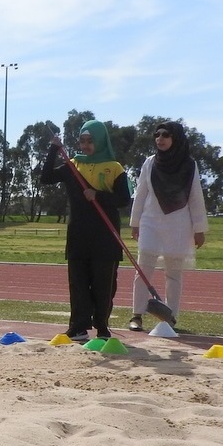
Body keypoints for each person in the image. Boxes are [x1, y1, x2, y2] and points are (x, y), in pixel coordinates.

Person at [41, 120, 131, 341]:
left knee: (103, 285)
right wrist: (53, 148)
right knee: (78, 283)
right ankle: (78, 326)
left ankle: (102, 326)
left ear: (100, 141)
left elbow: (123, 199)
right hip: (78, 235)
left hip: (104, 237)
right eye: (82, 141)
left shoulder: (114, 167)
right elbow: (46, 178)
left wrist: (98, 195)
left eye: (90, 141)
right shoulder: (73, 165)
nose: (86, 145)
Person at [128, 121, 208, 331]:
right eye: (157, 134)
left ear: (176, 138)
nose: (160, 138)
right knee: (143, 269)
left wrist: (199, 229)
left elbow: (195, 197)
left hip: (178, 224)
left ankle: (170, 319)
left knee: (174, 272)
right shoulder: (150, 163)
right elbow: (141, 193)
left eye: (166, 135)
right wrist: (135, 223)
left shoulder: (190, 165)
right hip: (150, 222)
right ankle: (136, 315)